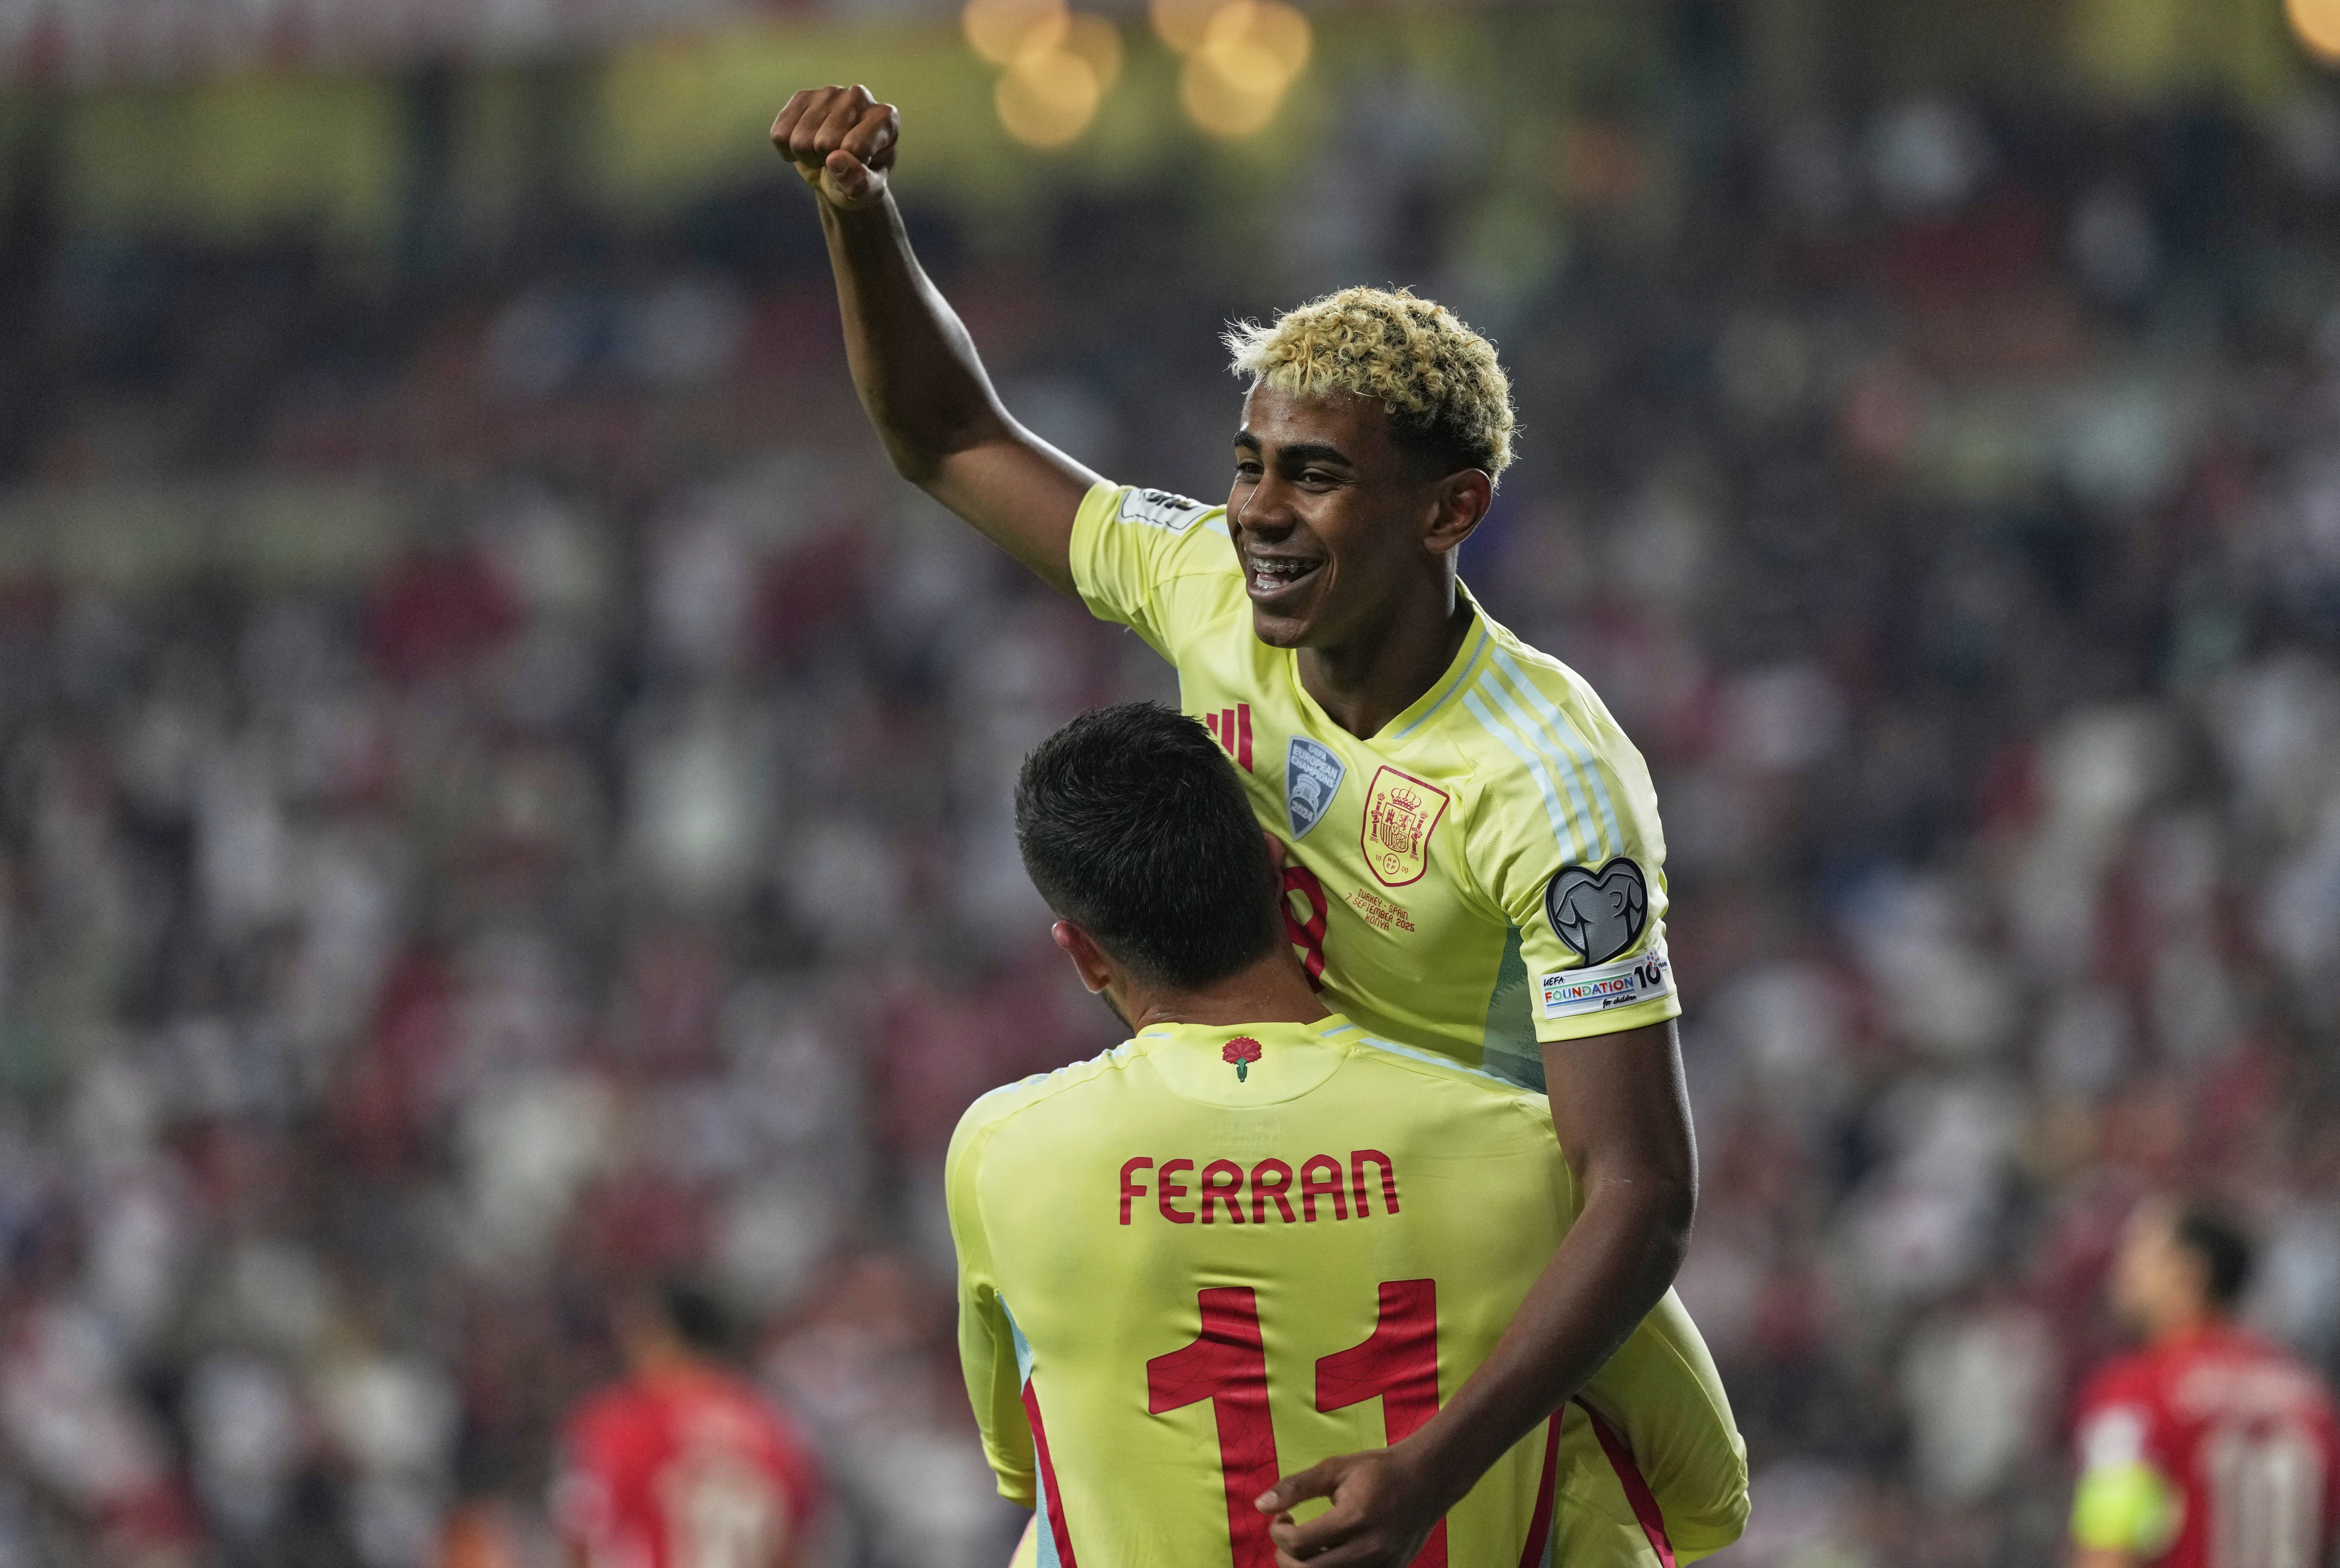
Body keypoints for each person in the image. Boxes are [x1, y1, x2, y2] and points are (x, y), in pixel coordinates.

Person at [773, 85, 1718, 1566]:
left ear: (1449, 508)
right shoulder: (1210, 579)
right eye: (1251, 462)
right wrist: (862, 218)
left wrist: (1432, 1469)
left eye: (1318, 475)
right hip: (1248, 1155)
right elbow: (949, 436)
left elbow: (1643, 1191)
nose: (1261, 512)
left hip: (1441, 1239)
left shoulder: (1552, 787)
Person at [949, 703, 1746, 1568]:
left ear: (1084, 954)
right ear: (1279, 871)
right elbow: (1709, 1492)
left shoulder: (1005, 1152)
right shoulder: (1527, 1152)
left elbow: (1027, 1464)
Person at [2070, 1199, 2340, 1568]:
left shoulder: (2140, 1389)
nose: (2123, 1270)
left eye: (2141, 1252)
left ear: (2189, 1274)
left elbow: (2108, 1546)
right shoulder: (2312, 1396)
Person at [550, 1281, 827, 1568]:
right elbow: (796, 1549)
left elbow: (581, 1538)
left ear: (658, 1335)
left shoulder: (619, 1424)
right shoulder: (778, 1427)